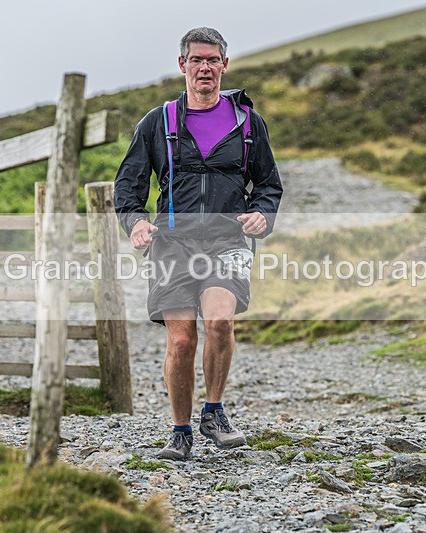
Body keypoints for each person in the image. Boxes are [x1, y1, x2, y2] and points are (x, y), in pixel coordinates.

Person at [115, 27, 283, 460]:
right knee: (182, 340)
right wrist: (135, 223)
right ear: (182, 65)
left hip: (228, 240)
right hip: (172, 243)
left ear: (225, 65)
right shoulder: (159, 121)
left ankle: (214, 411)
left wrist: (262, 214)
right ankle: (181, 430)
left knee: (221, 323)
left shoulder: (248, 123)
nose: (205, 68)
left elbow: (268, 184)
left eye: (213, 60)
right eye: (197, 60)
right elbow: (128, 187)